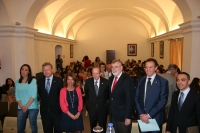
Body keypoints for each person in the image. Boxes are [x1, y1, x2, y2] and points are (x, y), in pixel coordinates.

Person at [135, 58, 168, 133]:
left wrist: (148, 115)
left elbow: (162, 101)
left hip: (155, 118)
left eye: (150, 67)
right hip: (142, 118)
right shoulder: (140, 80)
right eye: (146, 67)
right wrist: (141, 114)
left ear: (156, 68)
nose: (148, 69)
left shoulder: (162, 82)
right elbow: (136, 98)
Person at [109, 59, 134, 133]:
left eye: (116, 67)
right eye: (112, 67)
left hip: (123, 117)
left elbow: (130, 100)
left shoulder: (127, 80)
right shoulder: (111, 79)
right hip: (113, 116)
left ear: (121, 68)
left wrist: (128, 117)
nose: (113, 69)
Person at [38, 62, 63, 133]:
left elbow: (61, 95)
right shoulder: (40, 81)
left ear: (52, 70)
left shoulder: (58, 80)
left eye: (48, 69)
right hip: (45, 111)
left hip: (56, 111)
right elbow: (40, 94)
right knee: (47, 130)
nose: (46, 72)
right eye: (44, 70)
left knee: (58, 130)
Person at [84, 67, 109, 133]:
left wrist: (106, 107)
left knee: (103, 127)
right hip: (92, 109)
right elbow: (86, 96)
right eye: (93, 73)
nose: (95, 75)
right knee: (92, 127)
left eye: (97, 73)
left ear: (100, 73)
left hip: (102, 109)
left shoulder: (106, 82)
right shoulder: (88, 82)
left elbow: (108, 96)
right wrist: (88, 106)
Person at [15, 64, 38, 133]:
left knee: (33, 125)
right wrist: (22, 106)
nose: (23, 71)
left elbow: (33, 95)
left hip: (32, 107)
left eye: (26, 70)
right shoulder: (17, 82)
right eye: (22, 69)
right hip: (21, 107)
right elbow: (17, 95)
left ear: (29, 72)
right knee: (19, 127)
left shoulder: (33, 81)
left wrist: (26, 106)